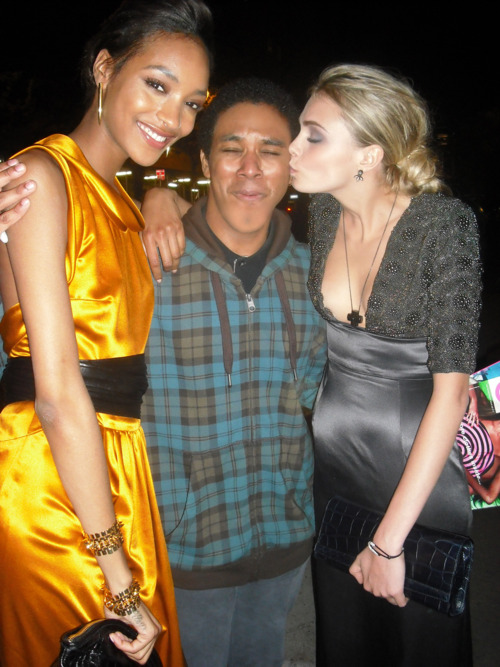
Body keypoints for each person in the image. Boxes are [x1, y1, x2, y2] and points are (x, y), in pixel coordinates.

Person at [0, 1, 212, 664]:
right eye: (157, 85)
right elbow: (57, 394)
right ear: (103, 68)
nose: (175, 118)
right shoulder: (41, 176)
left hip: (114, 465)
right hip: (51, 481)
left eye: (192, 102)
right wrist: (117, 576)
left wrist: (161, 193)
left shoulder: (118, 196)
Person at [288, 64, 481, 666]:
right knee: (345, 638)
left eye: (313, 135)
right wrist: (162, 198)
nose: (293, 147)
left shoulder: (442, 226)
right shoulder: (323, 213)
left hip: (416, 470)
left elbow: (451, 394)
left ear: (368, 155)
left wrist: (389, 544)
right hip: (336, 466)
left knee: (419, 644)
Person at [140, 78, 326, 666]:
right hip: (183, 549)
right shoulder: (146, 264)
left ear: (290, 165)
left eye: (270, 150)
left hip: (286, 539)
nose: (250, 167)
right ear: (204, 162)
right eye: (231, 148)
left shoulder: (316, 276)